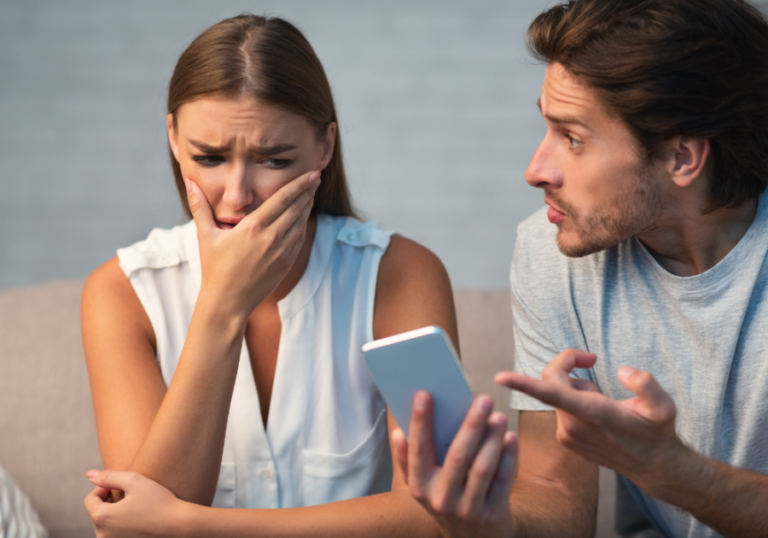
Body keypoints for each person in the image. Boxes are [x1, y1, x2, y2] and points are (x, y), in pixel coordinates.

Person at [81, 14, 472, 537]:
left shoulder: (400, 276)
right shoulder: (121, 292)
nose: (238, 196)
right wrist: (223, 306)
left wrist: (195, 526)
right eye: (210, 157)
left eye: (273, 159)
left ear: (324, 148)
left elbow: (447, 513)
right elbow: (138, 534)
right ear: (173, 139)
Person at [393, 0, 768, 537]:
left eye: (573, 138)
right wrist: (489, 524)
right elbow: (553, 496)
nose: (534, 170)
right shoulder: (550, 250)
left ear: (682, 157)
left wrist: (672, 472)